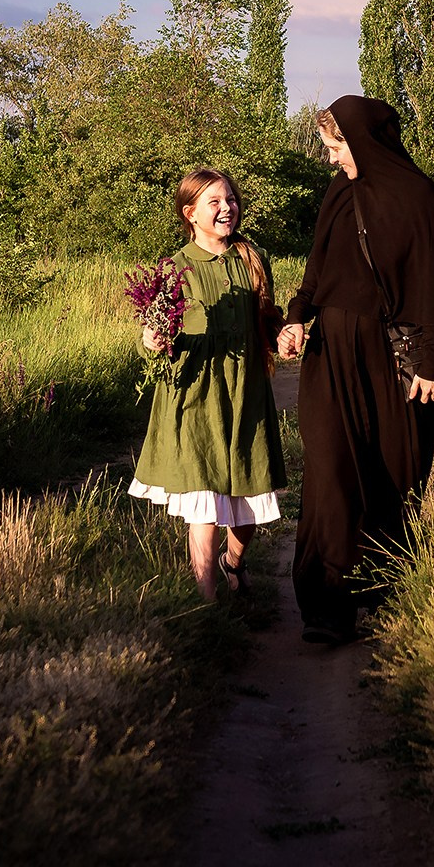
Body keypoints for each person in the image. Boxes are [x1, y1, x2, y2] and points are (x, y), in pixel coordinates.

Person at [277, 95, 434, 643]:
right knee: (329, 471)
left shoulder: (415, 196)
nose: (330, 160)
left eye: (334, 148)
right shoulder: (338, 194)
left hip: (395, 361)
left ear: (361, 142)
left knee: (396, 473)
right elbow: (317, 271)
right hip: (332, 357)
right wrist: (297, 318)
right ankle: (327, 608)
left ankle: (386, 592)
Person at [129, 168, 287, 601]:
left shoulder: (252, 259)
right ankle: (207, 602)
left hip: (246, 393)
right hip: (195, 398)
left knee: (251, 504)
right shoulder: (173, 270)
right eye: (214, 202)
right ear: (191, 213)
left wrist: (284, 335)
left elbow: (267, 319)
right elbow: (153, 337)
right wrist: (152, 341)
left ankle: (232, 562)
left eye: (231, 199)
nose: (226, 208)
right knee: (203, 502)